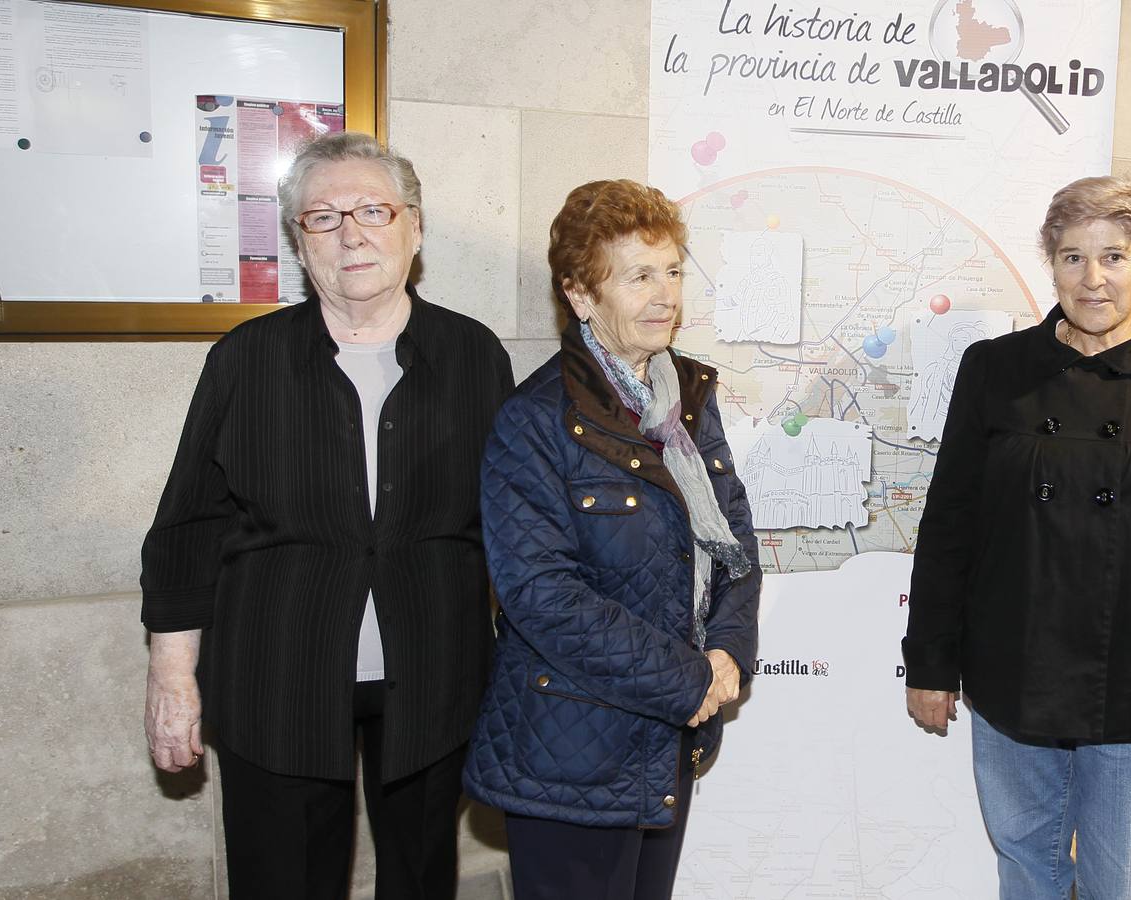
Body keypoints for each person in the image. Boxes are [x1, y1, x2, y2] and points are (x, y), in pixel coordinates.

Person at [140, 130, 514, 899]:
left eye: (373, 210)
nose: (352, 233)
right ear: (297, 239)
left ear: (414, 225)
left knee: (421, 880)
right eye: (323, 216)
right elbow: (188, 528)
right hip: (277, 680)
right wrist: (172, 677)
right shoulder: (245, 359)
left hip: (435, 680)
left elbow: (511, 524)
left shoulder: (474, 355)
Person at [902, 175, 1131, 900]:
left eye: (1113, 256)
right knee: (1027, 866)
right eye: (1072, 257)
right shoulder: (995, 368)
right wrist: (929, 663)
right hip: (1013, 667)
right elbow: (950, 526)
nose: (1092, 278)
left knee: (1129, 882)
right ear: (1050, 262)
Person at [464, 179, 761, 900]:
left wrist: (726, 651)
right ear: (581, 295)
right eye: (638, 276)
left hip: (667, 738)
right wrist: (689, 679)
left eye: (672, 271)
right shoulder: (534, 420)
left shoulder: (686, 396)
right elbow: (541, 595)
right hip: (572, 749)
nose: (665, 295)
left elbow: (734, 545)